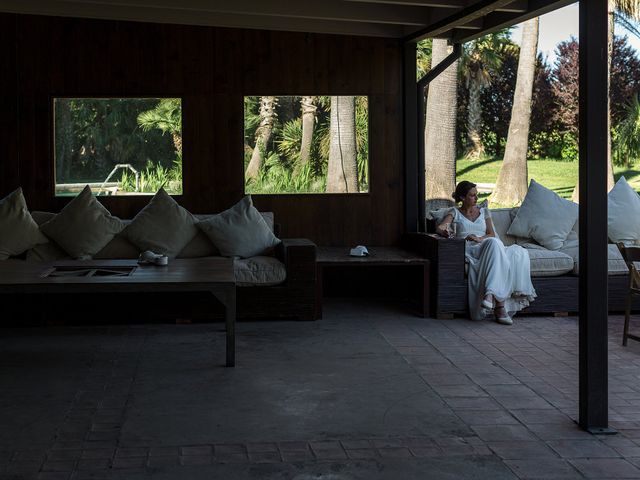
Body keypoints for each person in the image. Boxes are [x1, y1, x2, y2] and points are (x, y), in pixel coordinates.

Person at [436, 181, 536, 325]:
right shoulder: (454, 212)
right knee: (496, 246)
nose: (476, 198)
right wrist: (446, 231)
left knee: (515, 251)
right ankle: (500, 308)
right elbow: (441, 227)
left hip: (486, 244)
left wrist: (479, 238)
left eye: (477, 195)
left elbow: (491, 234)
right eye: (472, 195)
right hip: (471, 249)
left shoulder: (484, 211)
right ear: (463, 198)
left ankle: (490, 295)